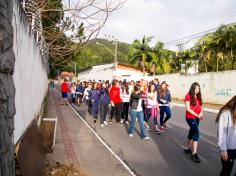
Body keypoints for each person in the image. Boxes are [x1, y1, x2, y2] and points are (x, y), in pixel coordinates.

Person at [216, 95, 236, 176]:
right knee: (226, 171)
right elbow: (221, 133)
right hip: (228, 149)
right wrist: (223, 150)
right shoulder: (226, 113)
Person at [183, 82, 203, 163]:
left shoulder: (198, 97)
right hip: (190, 118)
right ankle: (194, 153)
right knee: (196, 133)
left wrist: (201, 113)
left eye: (198, 88)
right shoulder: (188, 96)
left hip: (197, 118)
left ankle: (187, 148)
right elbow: (188, 109)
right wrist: (197, 115)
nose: (197, 90)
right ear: (192, 88)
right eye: (196, 88)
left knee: (192, 132)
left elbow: (201, 107)